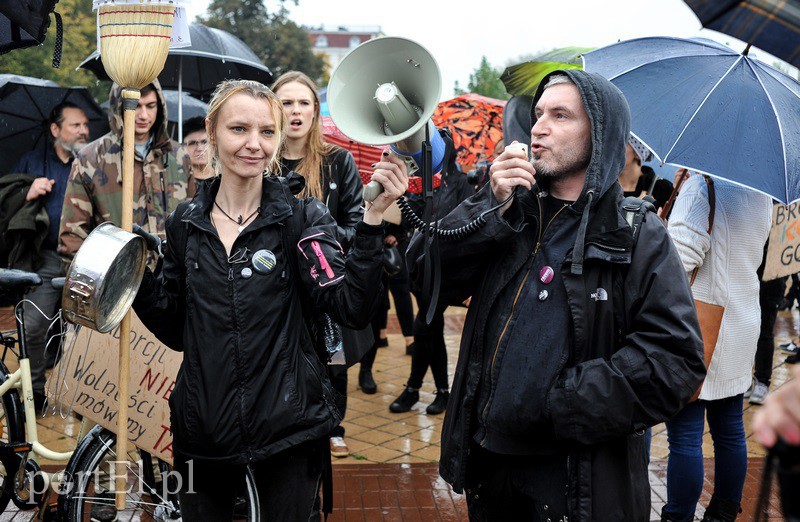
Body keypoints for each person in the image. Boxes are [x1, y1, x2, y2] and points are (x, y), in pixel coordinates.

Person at [407, 70, 705, 520]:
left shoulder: (636, 234)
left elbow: (675, 362)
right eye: (539, 114)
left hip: (574, 479)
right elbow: (426, 278)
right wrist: (486, 206)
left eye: (561, 115)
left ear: (600, 135)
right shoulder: (511, 211)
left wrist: (562, 402)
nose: (539, 127)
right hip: (489, 466)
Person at [132, 79, 406, 521]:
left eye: (266, 132)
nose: (253, 145)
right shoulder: (185, 221)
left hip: (288, 434)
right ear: (212, 130)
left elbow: (351, 306)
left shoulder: (301, 217)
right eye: (239, 129)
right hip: (202, 434)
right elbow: (177, 329)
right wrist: (137, 279)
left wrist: (372, 221)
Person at [57, 79, 192, 522]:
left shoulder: (181, 160)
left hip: (167, 298)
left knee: (167, 401)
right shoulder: (91, 158)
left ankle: (172, 493)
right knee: (101, 402)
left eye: (153, 106)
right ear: (118, 108)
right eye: (138, 107)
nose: (146, 115)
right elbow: (71, 238)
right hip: (109, 298)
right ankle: (98, 489)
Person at [664, 172, 772, 521]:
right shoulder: (760, 194)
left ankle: (678, 516)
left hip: (698, 330)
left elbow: (676, 263)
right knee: (730, 431)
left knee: (684, 437)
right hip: (741, 325)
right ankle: (723, 512)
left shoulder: (701, 187)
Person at [272, 71, 367, 459]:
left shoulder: (337, 160)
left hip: (326, 283)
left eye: (303, 102)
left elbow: (357, 221)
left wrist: (319, 244)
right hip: (276, 282)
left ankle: (334, 425)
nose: (295, 111)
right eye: (286, 102)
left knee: (334, 357)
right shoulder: (262, 159)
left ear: (315, 110)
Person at [4, 101, 89, 408]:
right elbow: (6, 198)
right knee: (36, 324)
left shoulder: (91, 162)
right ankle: (34, 392)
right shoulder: (32, 161)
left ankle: (85, 399)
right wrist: (28, 192)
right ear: (55, 130)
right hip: (45, 257)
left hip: (86, 259)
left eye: (85, 125)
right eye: (75, 125)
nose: (84, 130)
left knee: (84, 331)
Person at [746, 236, 787, 405]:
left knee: (765, 329)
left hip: (773, 273)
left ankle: (762, 381)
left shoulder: (784, 212)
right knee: (746, 328)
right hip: (752, 269)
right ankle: (746, 379)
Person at [618, 135, 672, 210]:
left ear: (637, 151)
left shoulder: (662, 189)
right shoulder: (604, 187)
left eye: (622, 143)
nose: (613, 148)